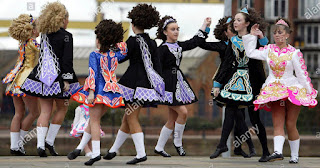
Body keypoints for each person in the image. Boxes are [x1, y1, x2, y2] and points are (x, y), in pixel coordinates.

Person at [243, 18, 318, 163]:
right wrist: (252, 35)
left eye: (280, 32)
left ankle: (295, 156)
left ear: (287, 35)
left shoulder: (294, 53)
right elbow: (251, 52)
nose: (277, 35)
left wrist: (309, 92)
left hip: (292, 89)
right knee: (277, 123)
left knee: (290, 124)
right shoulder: (269, 50)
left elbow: (302, 74)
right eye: (275, 33)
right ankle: (278, 152)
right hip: (274, 90)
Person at [103, 4, 164, 165]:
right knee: (128, 117)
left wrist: (108, 49)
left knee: (131, 118)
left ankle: (141, 154)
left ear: (133, 24)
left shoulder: (131, 41)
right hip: (147, 86)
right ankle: (113, 150)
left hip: (133, 84)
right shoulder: (152, 43)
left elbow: (120, 58)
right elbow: (157, 65)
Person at [202, 16, 269, 160]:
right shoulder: (232, 41)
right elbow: (226, 64)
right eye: (235, 20)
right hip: (236, 80)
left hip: (252, 83)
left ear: (247, 23)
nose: (235, 22)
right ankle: (222, 144)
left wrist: (263, 87)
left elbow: (264, 54)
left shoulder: (254, 39)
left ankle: (266, 151)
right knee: (230, 111)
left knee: (255, 118)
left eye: (239, 20)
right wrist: (217, 85)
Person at [21, 2, 79, 157]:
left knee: (45, 111)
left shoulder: (45, 35)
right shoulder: (67, 36)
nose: (68, 21)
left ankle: (40, 145)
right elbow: (67, 61)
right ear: (62, 19)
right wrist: (66, 80)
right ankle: (50, 142)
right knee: (62, 109)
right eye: (67, 18)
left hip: (43, 78)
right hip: (60, 78)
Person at [67, 19, 128, 166]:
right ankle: (80, 149)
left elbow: (92, 74)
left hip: (98, 91)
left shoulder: (94, 55)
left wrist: (91, 93)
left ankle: (95, 153)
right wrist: (117, 42)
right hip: (112, 91)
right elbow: (124, 50)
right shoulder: (115, 55)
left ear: (99, 39)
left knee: (94, 121)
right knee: (92, 121)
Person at [154, 15, 211, 157]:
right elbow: (155, 69)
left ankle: (159, 147)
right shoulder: (161, 50)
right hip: (168, 86)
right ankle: (178, 143)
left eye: (177, 29)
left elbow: (195, 41)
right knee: (183, 112)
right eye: (172, 29)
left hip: (178, 82)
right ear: (165, 32)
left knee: (172, 119)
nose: (176, 32)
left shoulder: (178, 45)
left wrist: (205, 25)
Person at [2, 14, 40, 156]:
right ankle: (19, 145)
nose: (39, 30)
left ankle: (14, 146)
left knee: (18, 113)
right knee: (35, 112)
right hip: (27, 80)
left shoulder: (22, 43)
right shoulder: (34, 43)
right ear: (31, 30)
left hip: (14, 79)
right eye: (37, 27)